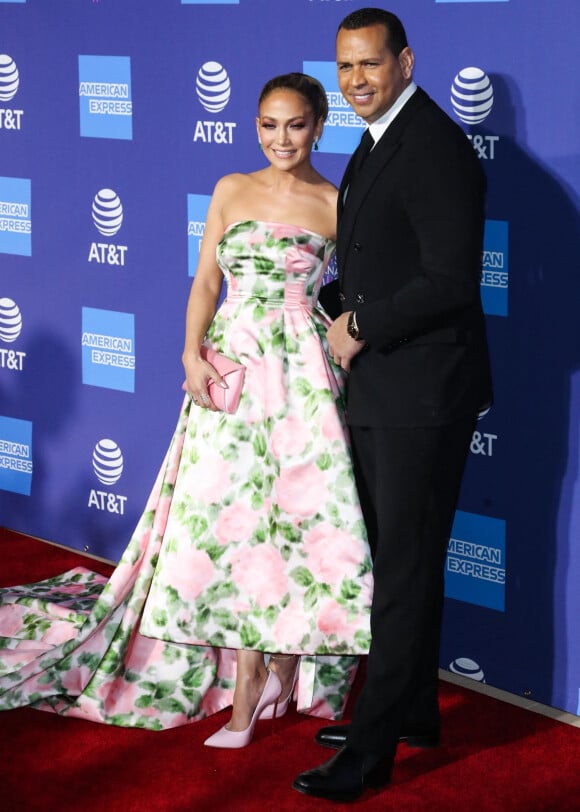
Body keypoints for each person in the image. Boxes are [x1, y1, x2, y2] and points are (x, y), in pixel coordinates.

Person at [0, 73, 373, 742]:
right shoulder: (231, 189)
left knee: (299, 522)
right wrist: (190, 354)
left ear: (319, 127)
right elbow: (206, 279)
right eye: (267, 124)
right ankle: (248, 678)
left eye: (294, 125)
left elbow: (359, 291)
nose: (280, 137)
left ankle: (282, 667)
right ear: (254, 127)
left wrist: (346, 339)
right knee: (227, 522)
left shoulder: (335, 201)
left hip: (304, 379)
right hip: (232, 367)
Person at [293, 9, 492, 803]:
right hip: (386, 386)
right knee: (399, 563)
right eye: (345, 68)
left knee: (403, 574)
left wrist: (361, 325)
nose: (355, 81)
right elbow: (383, 261)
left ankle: (370, 755)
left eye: (370, 65)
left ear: (405, 61)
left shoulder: (437, 146)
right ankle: (410, 708)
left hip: (421, 392)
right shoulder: (379, 140)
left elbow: (450, 280)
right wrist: (322, 305)